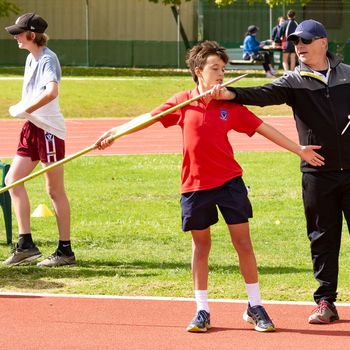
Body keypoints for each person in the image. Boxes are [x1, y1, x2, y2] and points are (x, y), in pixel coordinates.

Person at [95, 40, 324, 332]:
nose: (220, 74)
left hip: (229, 183)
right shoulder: (183, 102)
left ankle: (255, 306)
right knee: (201, 246)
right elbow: (149, 118)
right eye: (214, 68)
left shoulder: (229, 104)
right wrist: (115, 132)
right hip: (194, 185)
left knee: (243, 243)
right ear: (197, 70)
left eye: (223, 69)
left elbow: (263, 128)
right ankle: (202, 310)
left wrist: (298, 149)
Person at [223, 19, 348, 324]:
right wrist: (231, 95)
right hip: (318, 175)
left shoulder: (347, 75)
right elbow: (263, 94)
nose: (299, 46)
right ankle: (325, 301)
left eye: (305, 40)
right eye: (295, 42)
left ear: (323, 42)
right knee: (322, 238)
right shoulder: (294, 81)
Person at [3, 13, 76, 267]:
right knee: (12, 180)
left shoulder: (47, 58)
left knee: (54, 190)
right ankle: (26, 245)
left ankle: (65, 251)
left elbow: (52, 91)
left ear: (32, 35)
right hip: (32, 128)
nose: (15, 37)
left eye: (19, 33)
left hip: (48, 131)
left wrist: (27, 109)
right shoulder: (30, 58)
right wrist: (25, 110)